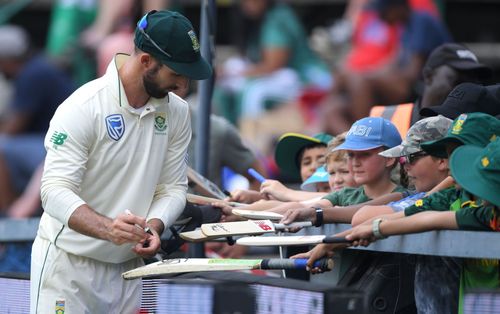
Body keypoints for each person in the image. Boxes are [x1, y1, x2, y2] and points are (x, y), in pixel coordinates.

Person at [30, 10, 212, 313]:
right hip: (67, 268)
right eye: (176, 73)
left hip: (129, 270)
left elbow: (172, 188)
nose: (182, 85)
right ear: (145, 61)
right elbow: (53, 191)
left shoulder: (178, 112)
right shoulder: (82, 107)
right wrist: (107, 229)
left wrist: (154, 226)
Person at [213, 0, 332, 125]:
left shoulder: (277, 17)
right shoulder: (251, 19)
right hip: (283, 77)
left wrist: (236, 74)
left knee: (252, 91)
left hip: (308, 79)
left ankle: (249, 138)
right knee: (223, 87)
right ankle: (232, 134)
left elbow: (273, 65)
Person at [350, 115, 452, 225]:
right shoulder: (425, 194)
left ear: (442, 161)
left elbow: (362, 217)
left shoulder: (455, 195)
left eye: (411, 157)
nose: (406, 166)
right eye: (404, 158)